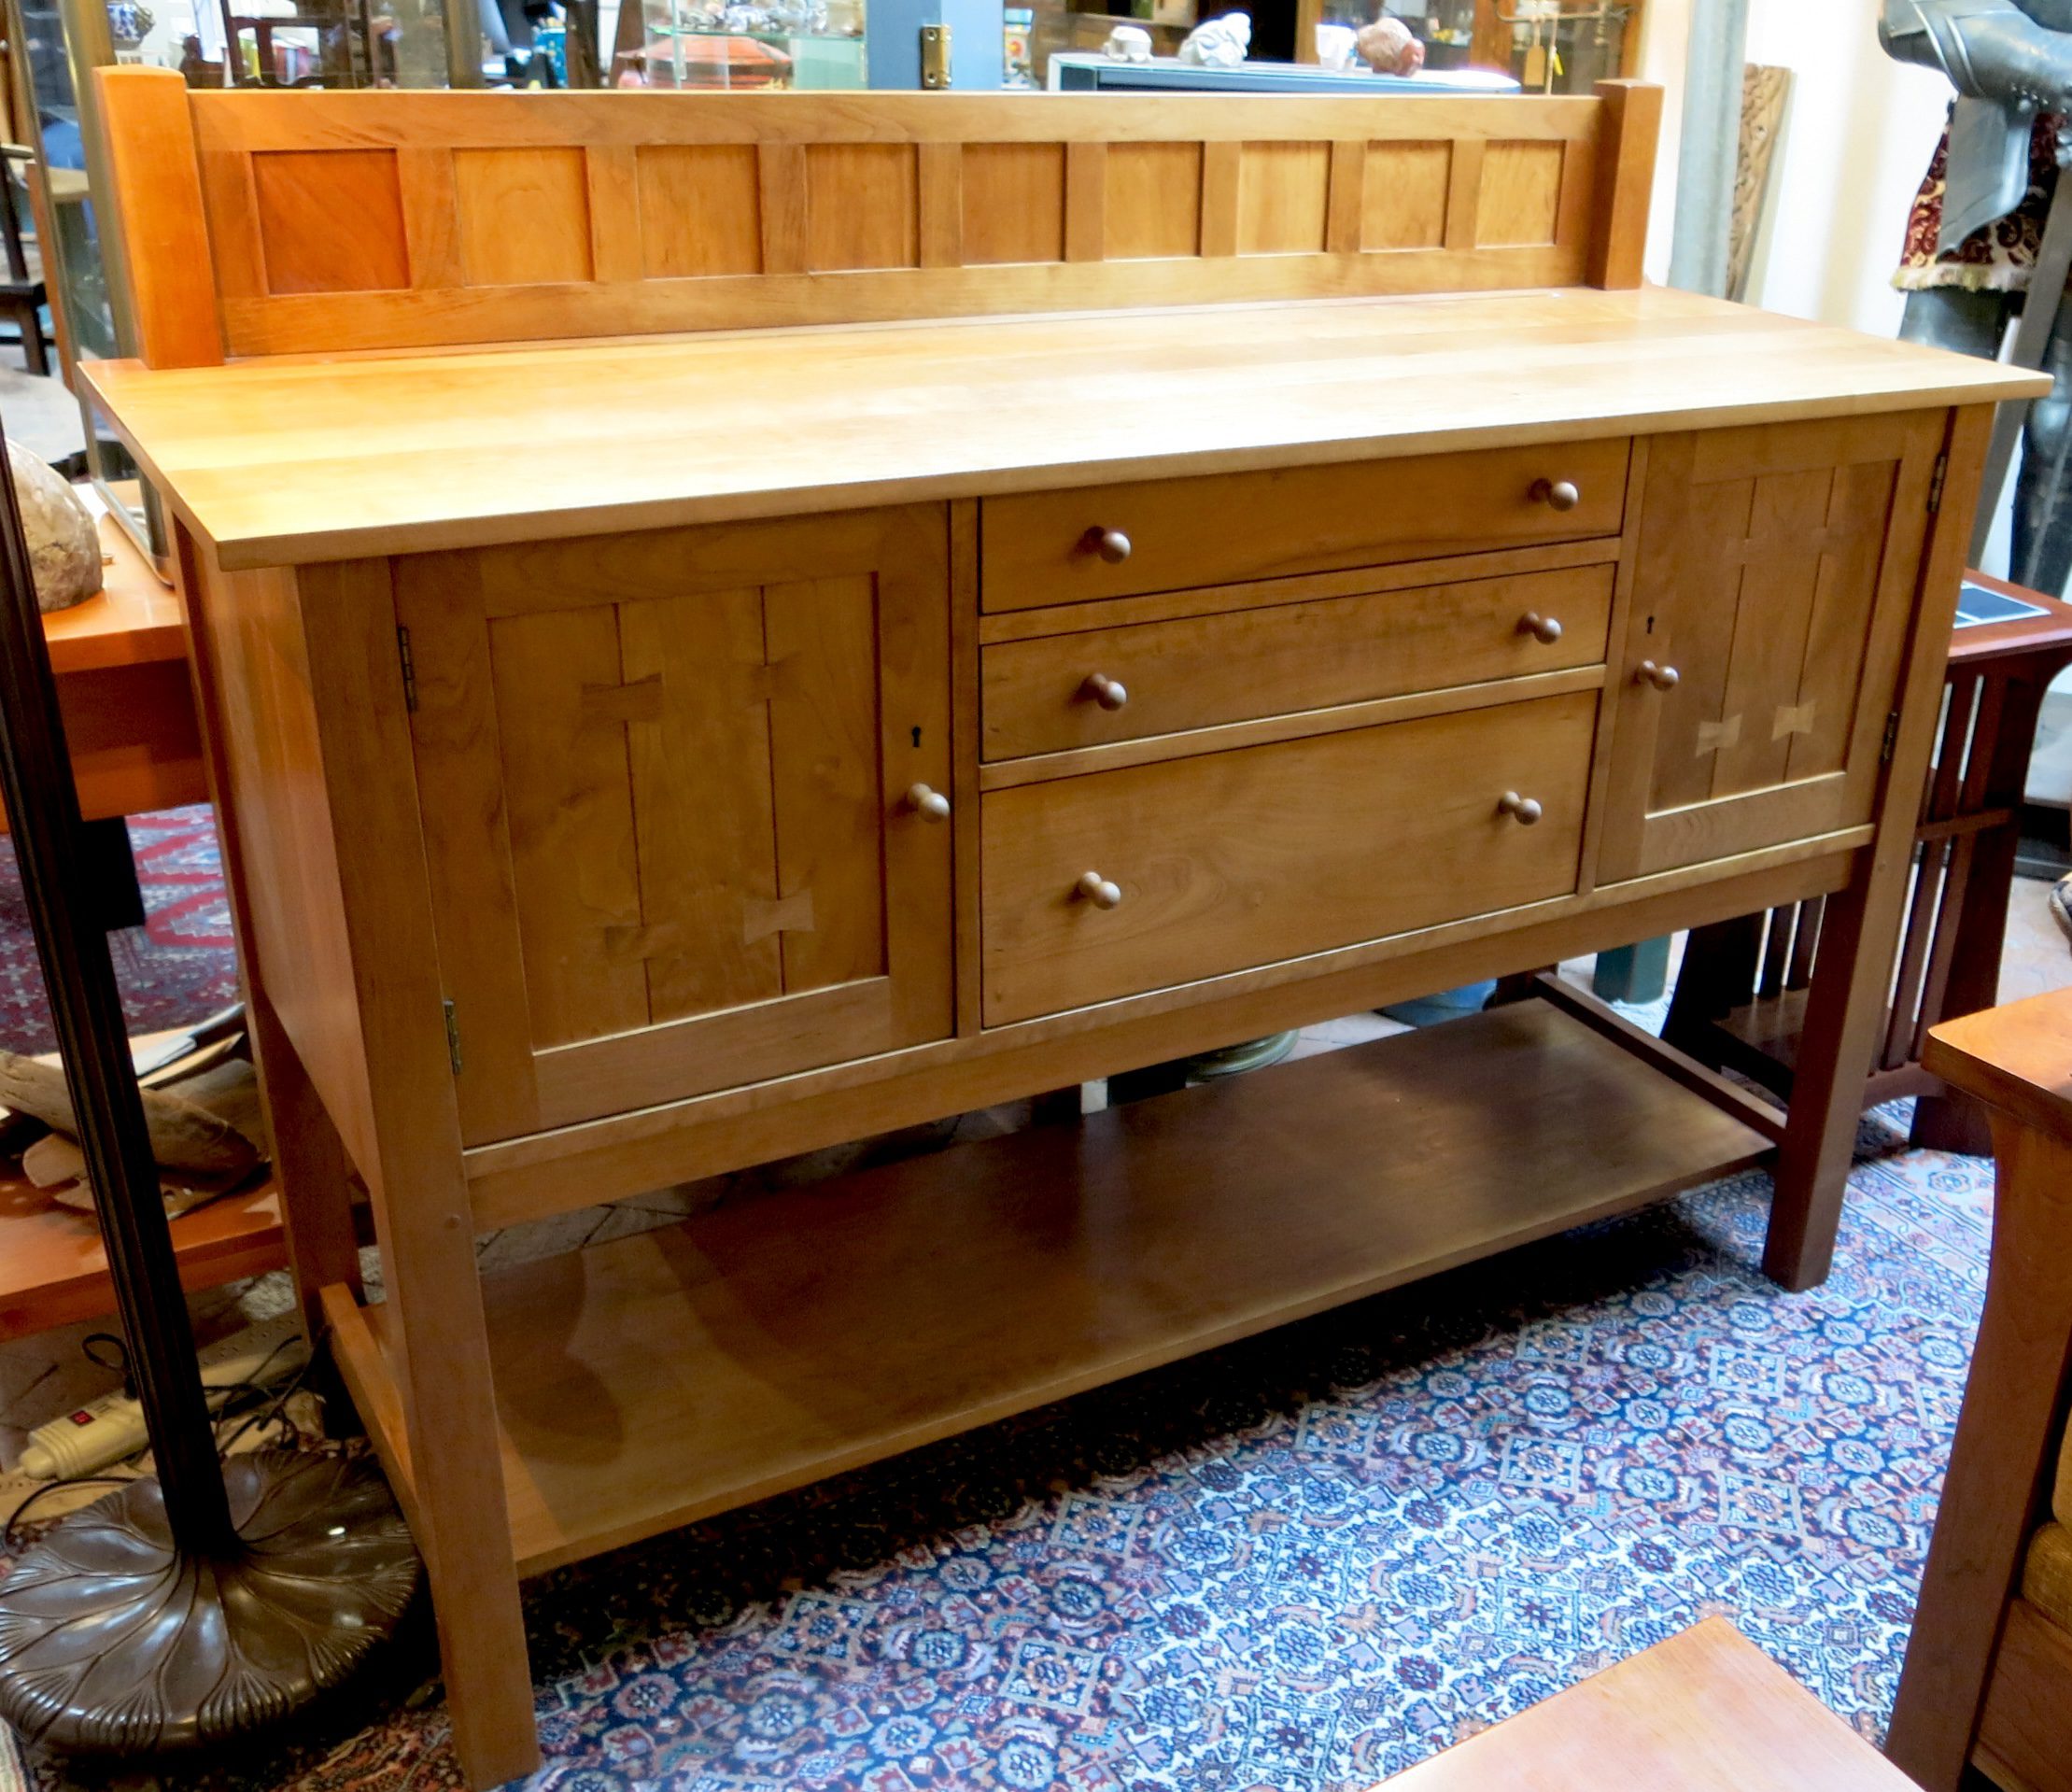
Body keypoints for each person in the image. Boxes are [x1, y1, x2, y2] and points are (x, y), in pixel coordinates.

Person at [1882, 3, 2072, 951]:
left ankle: (1989, 748)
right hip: (1990, 152)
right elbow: (1913, 16)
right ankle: (1883, 714)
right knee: (1929, 427)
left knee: (2060, 441)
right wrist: (2054, 65)